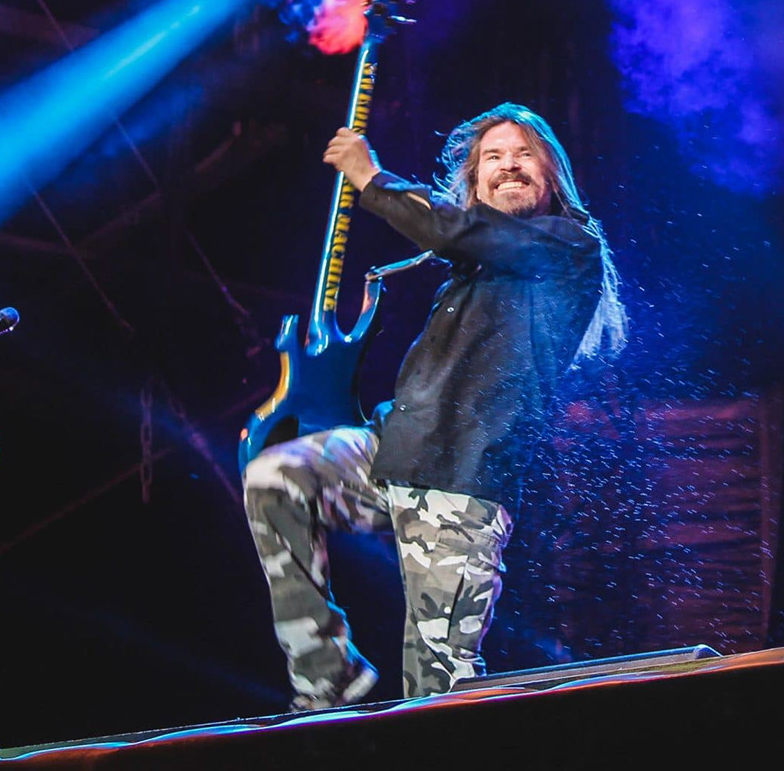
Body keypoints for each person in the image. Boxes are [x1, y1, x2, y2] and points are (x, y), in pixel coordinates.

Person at [242, 102, 625, 708]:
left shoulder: (568, 248)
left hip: (460, 483)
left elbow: (457, 229)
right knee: (275, 478)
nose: (509, 165)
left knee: (437, 689)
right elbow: (461, 234)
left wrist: (372, 179)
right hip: (393, 453)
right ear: (475, 184)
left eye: (524, 154)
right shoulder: (473, 267)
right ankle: (324, 673)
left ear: (552, 174)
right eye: (493, 157)